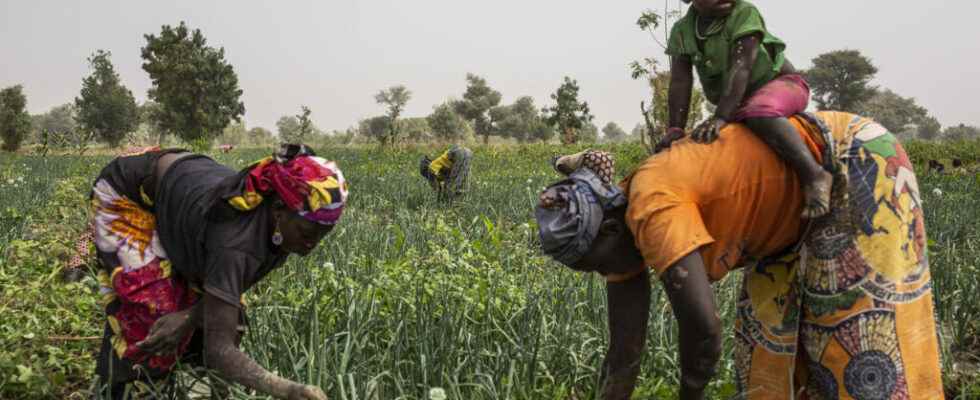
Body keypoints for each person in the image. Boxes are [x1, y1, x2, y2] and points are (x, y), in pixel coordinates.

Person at [536, 112, 944, 399]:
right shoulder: (616, 230)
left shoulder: (651, 206)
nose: (603, 272)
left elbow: (702, 329)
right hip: (780, 227)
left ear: (608, 228)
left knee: (857, 347)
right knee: (766, 357)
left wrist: (690, 396)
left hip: (844, 164)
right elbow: (624, 351)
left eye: (595, 263)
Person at [90, 143, 347, 399]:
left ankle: (191, 387)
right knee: (153, 318)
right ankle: (116, 392)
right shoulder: (237, 242)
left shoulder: (280, 225)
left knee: (227, 320)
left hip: (184, 195)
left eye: (323, 234)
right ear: (279, 210)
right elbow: (219, 350)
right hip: (131, 194)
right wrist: (290, 390)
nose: (312, 244)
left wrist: (190, 316)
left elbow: (232, 287)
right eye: (306, 233)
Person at [662, 0, 833, 219]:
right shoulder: (683, 30)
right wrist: (675, 128)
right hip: (740, 101)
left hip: (781, 85)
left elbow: (742, 66)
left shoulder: (744, 13)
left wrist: (721, 116)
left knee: (759, 112)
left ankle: (815, 175)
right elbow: (680, 81)